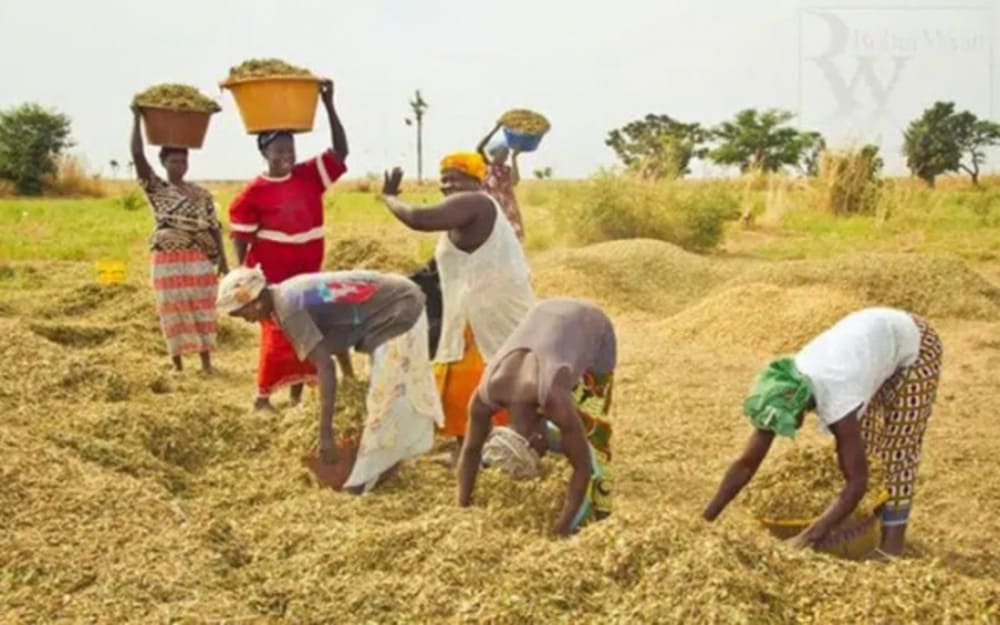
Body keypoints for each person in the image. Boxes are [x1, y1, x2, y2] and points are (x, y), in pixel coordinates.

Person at [703, 307, 943, 557]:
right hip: (870, 343)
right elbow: (746, 463)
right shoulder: (787, 384)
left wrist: (807, 537)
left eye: (785, 422)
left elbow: (857, 483)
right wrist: (706, 519)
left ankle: (892, 546)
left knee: (895, 452)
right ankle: (869, 527)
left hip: (914, 341)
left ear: (799, 405)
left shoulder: (838, 400)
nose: (781, 430)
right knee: (867, 445)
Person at [217, 265, 444, 493]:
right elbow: (332, 333)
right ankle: (382, 465)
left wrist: (325, 434)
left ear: (254, 300)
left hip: (398, 309)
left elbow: (325, 366)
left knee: (386, 399)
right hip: (396, 301)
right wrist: (349, 378)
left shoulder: (288, 308)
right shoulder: (285, 296)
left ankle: (364, 478)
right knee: (387, 393)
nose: (246, 320)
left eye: (242, 313)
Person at [379, 155, 535, 460]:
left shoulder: (476, 202)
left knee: (489, 376)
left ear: (477, 181)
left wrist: (389, 198)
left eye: (457, 177)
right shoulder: (465, 212)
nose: (448, 185)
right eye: (445, 179)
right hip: (472, 311)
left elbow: (418, 218)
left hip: (490, 312)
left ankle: (503, 450)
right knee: (464, 379)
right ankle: (466, 450)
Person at [228, 79, 351, 411]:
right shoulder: (253, 192)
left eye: (290, 150)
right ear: (265, 153)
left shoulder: (308, 176)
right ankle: (263, 397)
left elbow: (340, 152)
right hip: (275, 280)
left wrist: (328, 104)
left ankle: (297, 396)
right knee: (278, 337)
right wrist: (244, 274)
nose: (286, 156)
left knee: (309, 333)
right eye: (279, 150)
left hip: (308, 274)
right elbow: (241, 237)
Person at [456, 298, 616, 536]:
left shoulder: (553, 398)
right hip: (545, 312)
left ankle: (602, 510)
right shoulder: (485, 395)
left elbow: (582, 468)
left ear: (535, 436)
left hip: (591, 324)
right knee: (572, 428)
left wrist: (561, 529)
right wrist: (463, 507)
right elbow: (470, 451)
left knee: (594, 435)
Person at [131, 107, 228, 374]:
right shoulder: (158, 189)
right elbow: (138, 155)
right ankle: (178, 365)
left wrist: (223, 261)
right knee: (172, 308)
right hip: (167, 258)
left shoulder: (201, 194)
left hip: (199, 258)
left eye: (183, 162)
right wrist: (137, 119)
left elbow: (214, 228)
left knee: (203, 307)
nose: (179, 166)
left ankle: (207, 363)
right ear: (163, 163)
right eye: (174, 162)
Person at [477, 123, 524, 241]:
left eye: (507, 154)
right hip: (490, 207)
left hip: (507, 208)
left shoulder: (506, 170)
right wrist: (495, 129)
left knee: (508, 238)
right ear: (494, 153)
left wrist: (514, 158)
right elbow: (479, 147)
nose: (506, 156)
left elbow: (515, 181)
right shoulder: (486, 166)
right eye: (503, 153)